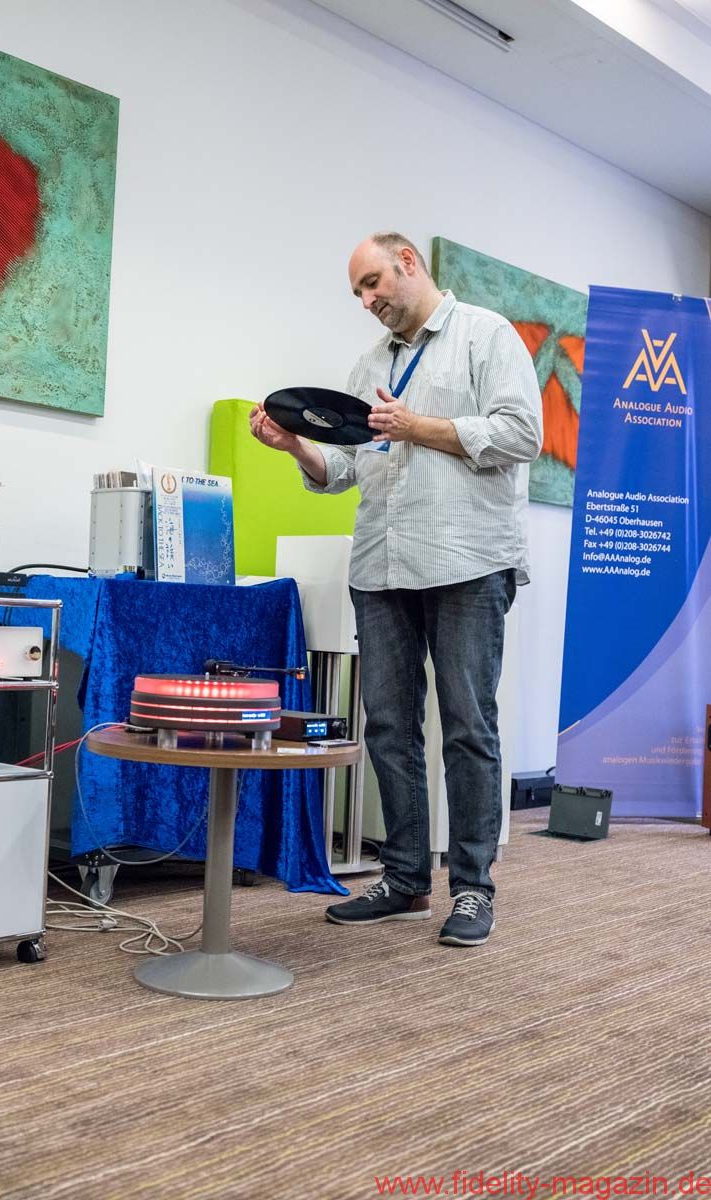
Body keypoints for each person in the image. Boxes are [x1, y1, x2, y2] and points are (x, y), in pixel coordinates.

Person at [249, 232, 543, 947]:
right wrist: (296, 448)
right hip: (381, 567)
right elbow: (349, 469)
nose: (367, 300)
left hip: (467, 561)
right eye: (358, 291)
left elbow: (522, 434)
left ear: (408, 262)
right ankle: (405, 879)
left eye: (373, 282)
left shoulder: (485, 336)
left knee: (468, 726)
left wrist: (419, 427)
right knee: (387, 725)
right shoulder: (370, 364)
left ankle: (471, 889)